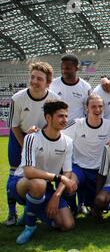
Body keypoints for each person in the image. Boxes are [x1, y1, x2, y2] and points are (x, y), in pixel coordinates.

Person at [10, 100, 77, 244]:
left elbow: (67, 172)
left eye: (66, 116)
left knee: (67, 224)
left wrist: (56, 196)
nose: (64, 120)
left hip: (46, 187)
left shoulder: (68, 142)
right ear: (48, 118)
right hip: (21, 183)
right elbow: (28, 172)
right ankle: (30, 226)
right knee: (38, 184)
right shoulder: (31, 138)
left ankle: (32, 209)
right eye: (60, 116)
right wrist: (60, 178)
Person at [5, 62, 60, 226]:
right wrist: (25, 144)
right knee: (15, 172)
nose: (35, 81)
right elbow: (14, 125)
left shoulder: (54, 99)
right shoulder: (18, 98)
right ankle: (11, 212)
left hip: (42, 138)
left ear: (48, 82)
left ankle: (32, 210)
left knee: (39, 174)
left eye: (40, 79)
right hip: (19, 136)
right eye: (33, 77)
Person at [62, 94, 110, 215]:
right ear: (87, 108)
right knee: (68, 185)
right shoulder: (76, 124)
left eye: (100, 106)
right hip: (79, 168)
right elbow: (57, 134)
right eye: (93, 106)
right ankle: (73, 208)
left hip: (101, 171)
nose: (97, 110)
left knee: (101, 206)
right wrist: (37, 133)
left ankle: (94, 205)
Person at [49, 54, 92, 121]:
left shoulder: (86, 87)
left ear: (76, 68)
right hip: (58, 127)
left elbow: (88, 110)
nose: (64, 71)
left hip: (77, 128)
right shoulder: (53, 84)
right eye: (62, 68)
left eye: (67, 68)